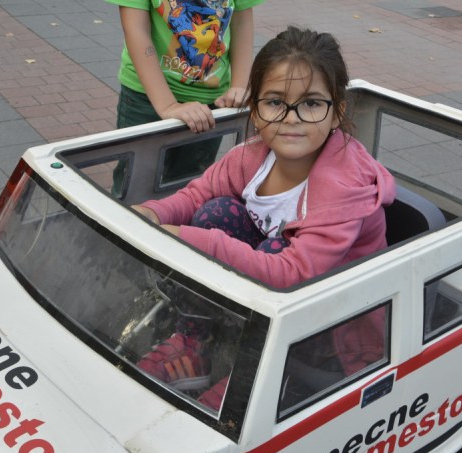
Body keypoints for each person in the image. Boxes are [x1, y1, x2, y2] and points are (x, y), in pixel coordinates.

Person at [132, 26, 396, 408]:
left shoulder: (343, 187)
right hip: (269, 302)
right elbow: (196, 195)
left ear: (337, 112)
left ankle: (260, 374)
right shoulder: (252, 156)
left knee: (272, 251)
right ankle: (195, 344)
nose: (291, 118)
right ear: (255, 109)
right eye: (275, 102)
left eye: (311, 103)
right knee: (215, 212)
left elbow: (292, 275)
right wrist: (151, 214)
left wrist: (184, 238)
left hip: (331, 329)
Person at [107, 0, 262, 195]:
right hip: (146, 97)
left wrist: (240, 86)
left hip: (209, 99)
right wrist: (168, 106)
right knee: (135, 183)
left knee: (190, 186)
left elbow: (242, 22)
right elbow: (136, 29)